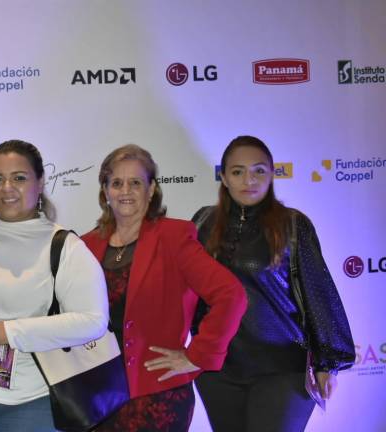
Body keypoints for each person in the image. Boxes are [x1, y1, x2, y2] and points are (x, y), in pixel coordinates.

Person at [191, 135, 355, 432]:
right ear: (224, 177)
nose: (249, 180)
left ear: (272, 174)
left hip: (282, 369)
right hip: (219, 372)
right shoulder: (203, 222)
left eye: (259, 170)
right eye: (238, 171)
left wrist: (326, 363)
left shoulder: (292, 224)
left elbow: (318, 292)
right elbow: (190, 294)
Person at [81, 144, 247, 432]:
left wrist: (198, 355)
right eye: (116, 183)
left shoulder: (174, 236)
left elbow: (231, 295)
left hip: (158, 397)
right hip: (99, 397)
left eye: (135, 183)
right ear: (105, 191)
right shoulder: (85, 245)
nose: (125, 191)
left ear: (151, 190)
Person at [0, 139, 109, 432]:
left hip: (27, 404)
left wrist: (11, 331)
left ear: (40, 182)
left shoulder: (64, 246)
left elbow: (93, 321)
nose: (6, 188)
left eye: (19, 178)